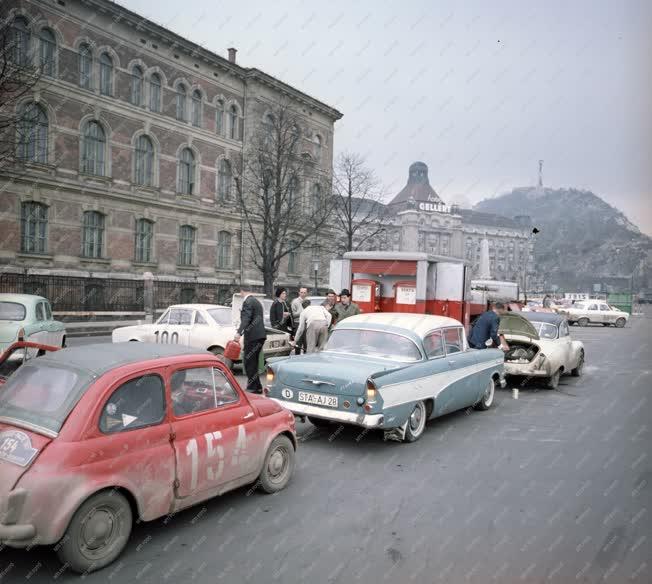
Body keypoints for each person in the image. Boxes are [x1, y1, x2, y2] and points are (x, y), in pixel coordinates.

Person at [234, 286, 267, 393]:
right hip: (260, 336)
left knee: (249, 362)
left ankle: (252, 387)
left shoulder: (247, 302)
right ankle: (257, 386)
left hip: (252, 337)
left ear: (241, 291)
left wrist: (239, 332)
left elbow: (246, 318)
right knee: (254, 362)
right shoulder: (256, 301)